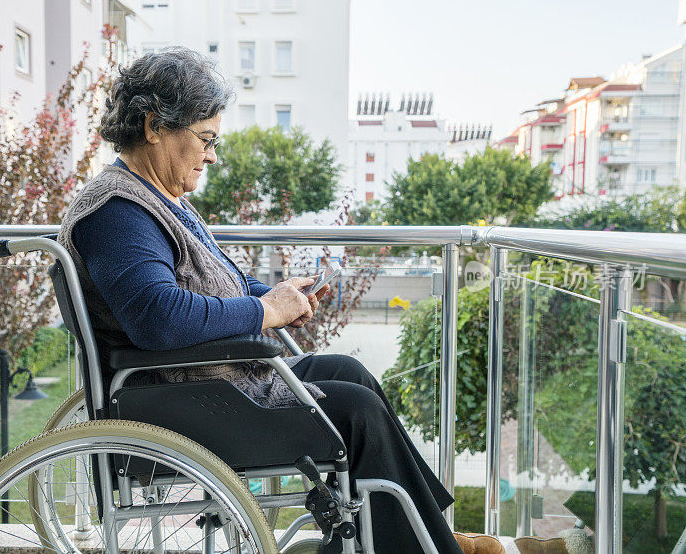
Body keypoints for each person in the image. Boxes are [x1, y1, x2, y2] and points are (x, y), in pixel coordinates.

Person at [58, 46, 463, 553]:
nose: (211, 155)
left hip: (212, 382)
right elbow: (159, 319)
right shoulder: (118, 213)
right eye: (206, 140)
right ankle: (429, 546)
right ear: (153, 125)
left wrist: (273, 294)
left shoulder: (158, 200)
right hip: (186, 401)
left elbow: (207, 286)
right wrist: (267, 311)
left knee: (351, 373)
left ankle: (425, 536)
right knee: (355, 410)